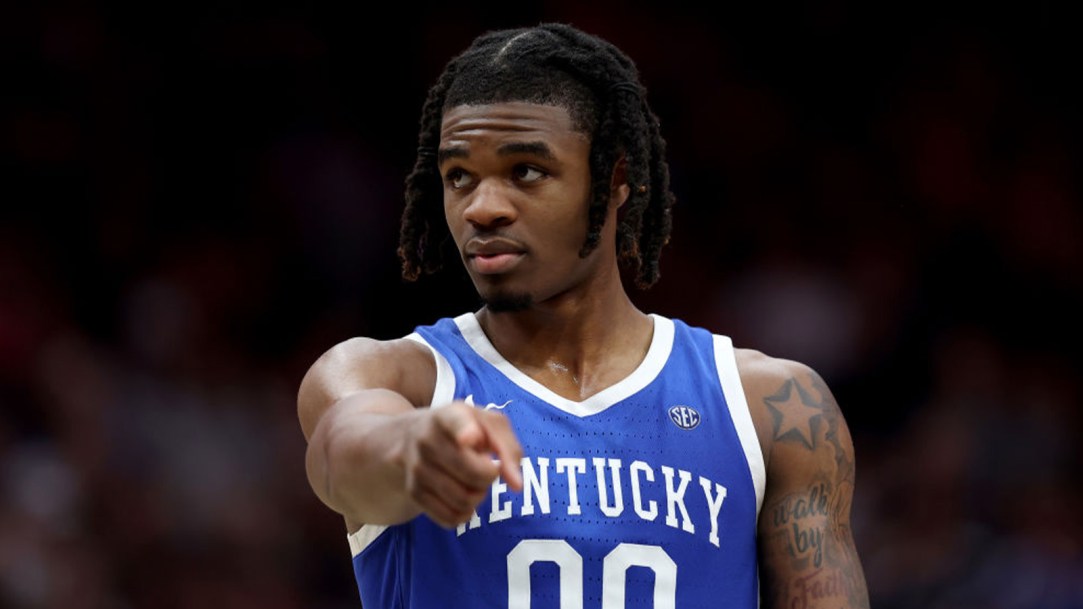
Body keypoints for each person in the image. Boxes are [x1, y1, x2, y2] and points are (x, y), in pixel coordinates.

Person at [298, 22, 870, 609]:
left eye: (526, 170)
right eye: (459, 176)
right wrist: (411, 444)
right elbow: (342, 450)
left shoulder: (772, 407)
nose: (482, 208)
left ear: (616, 180)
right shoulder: (392, 377)